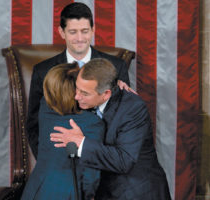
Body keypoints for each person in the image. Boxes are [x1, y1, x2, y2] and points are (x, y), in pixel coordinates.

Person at [50, 58, 171, 200]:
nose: (77, 96)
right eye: (77, 88)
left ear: (106, 94)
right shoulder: (87, 95)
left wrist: (81, 143)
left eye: (85, 93)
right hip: (101, 191)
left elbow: (124, 160)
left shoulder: (132, 108)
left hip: (135, 192)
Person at [27, 2, 133, 158]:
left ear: (93, 30)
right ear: (61, 32)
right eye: (72, 32)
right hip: (60, 160)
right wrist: (47, 160)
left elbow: (123, 122)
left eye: (84, 31)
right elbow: (34, 125)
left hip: (105, 160)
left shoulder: (117, 67)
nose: (79, 38)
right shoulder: (43, 71)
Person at [21, 62, 105, 200]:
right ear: (76, 92)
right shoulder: (93, 124)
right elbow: (91, 174)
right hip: (70, 193)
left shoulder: (45, 107)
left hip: (35, 190)